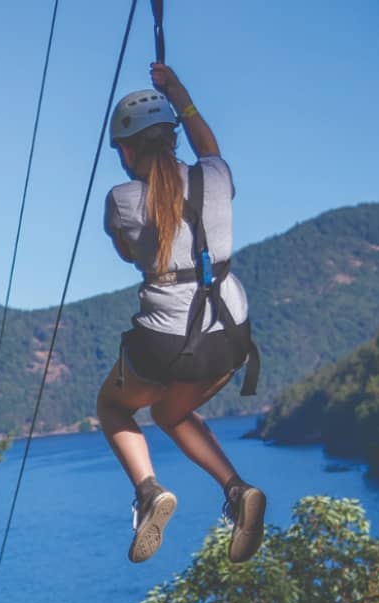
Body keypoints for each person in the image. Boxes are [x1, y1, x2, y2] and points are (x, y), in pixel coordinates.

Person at [96, 62, 265, 564]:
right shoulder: (217, 175)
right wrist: (179, 93)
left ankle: (149, 491)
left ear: (127, 151)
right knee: (170, 413)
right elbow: (208, 147)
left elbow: (130, 255)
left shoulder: (123, 200)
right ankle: (236, 489)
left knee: (114, 407)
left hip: (166, 342)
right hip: (231, 335)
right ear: (173, 139)